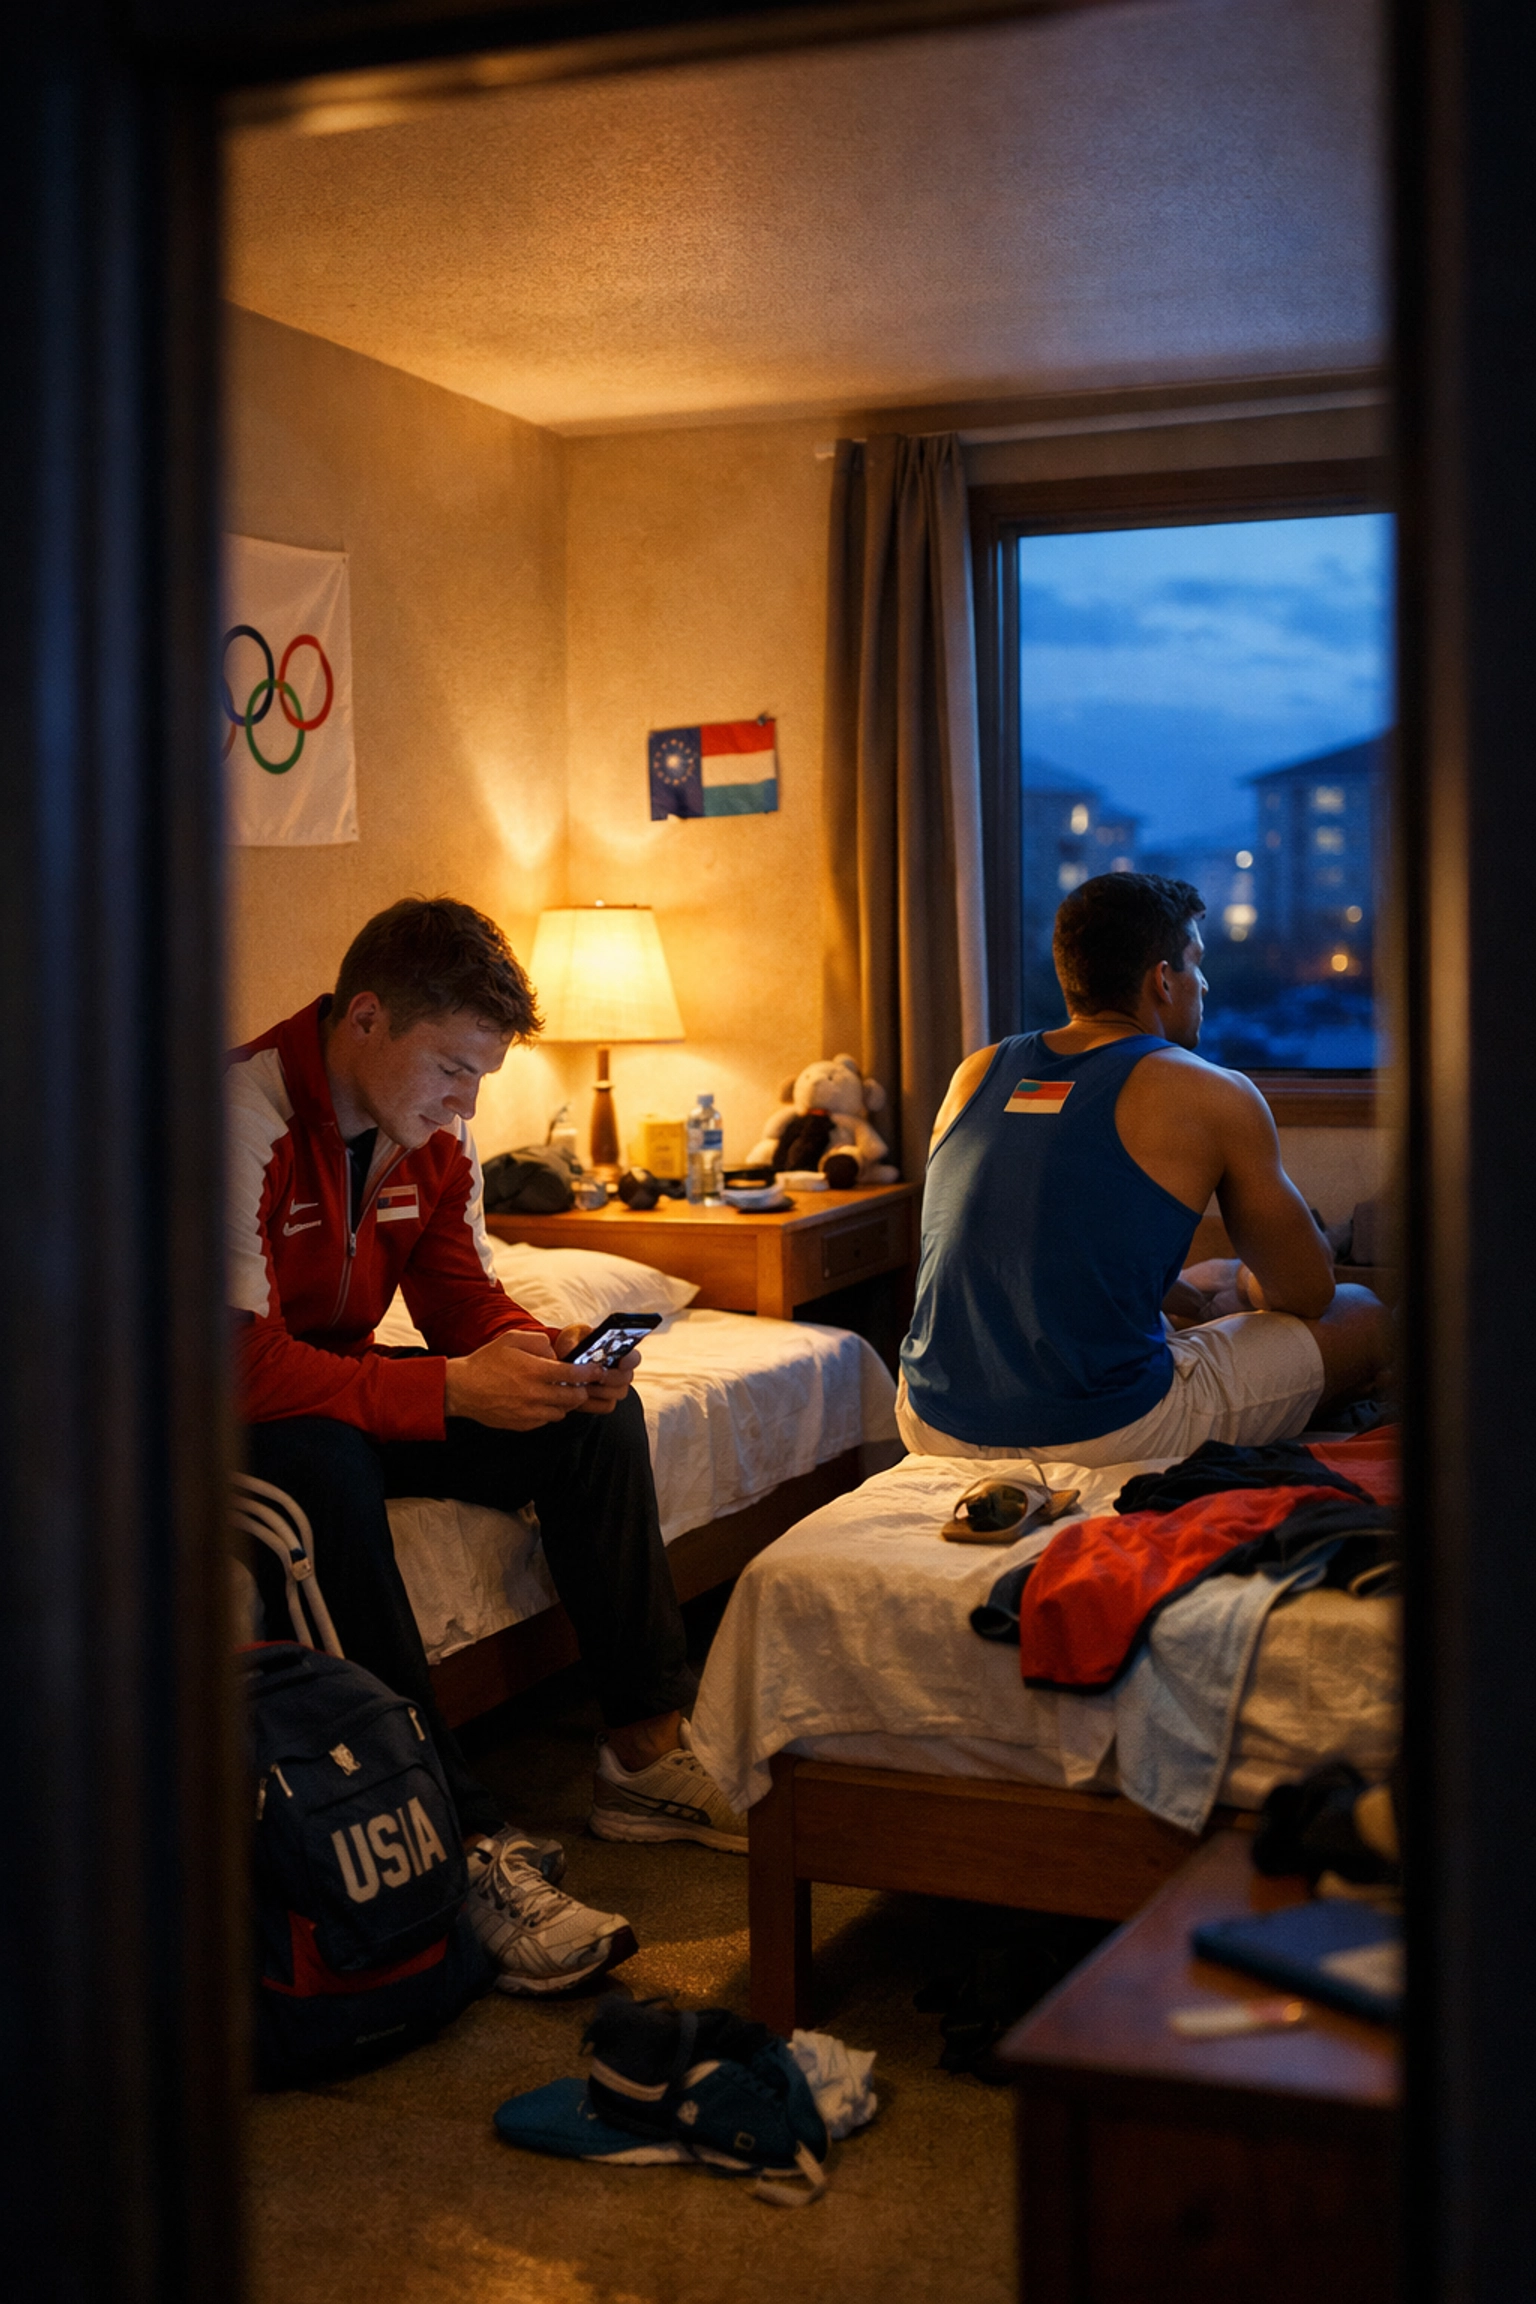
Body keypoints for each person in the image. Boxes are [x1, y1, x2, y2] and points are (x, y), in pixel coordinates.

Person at [229, 897, 746, 1999]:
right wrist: (451, 1389)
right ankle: (452, 1839)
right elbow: (238, 1367)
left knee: (590, 1423)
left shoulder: (432, 1133)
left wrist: (542, 1356)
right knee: (321, 1469)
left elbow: (460, 1296)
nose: (469, 1103)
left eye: (481, 1079)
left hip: (339, 1388)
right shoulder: (238, 1116)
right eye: (455, 1070)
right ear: (364, 1018)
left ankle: (643, 1755)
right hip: (224, 1419)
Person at [898, 872, 1391, 1468]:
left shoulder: (974, 1073)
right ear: (1162, 978)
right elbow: (1309, 1293)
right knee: (1361, 1310)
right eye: (1195, 963)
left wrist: (1202, 1289)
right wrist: (1248, 1286)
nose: (1204, 983)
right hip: (1109, 1431)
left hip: (929, 1417)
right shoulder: (1213, 1092)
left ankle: (1211, 1288)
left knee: (1202, 1276)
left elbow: (1031, 1246)